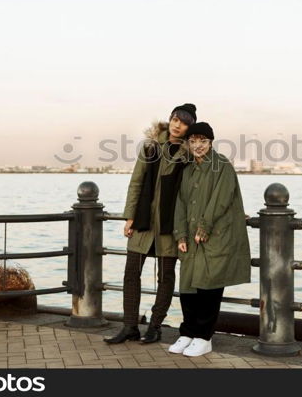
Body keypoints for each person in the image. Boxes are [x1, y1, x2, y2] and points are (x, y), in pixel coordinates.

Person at [104, 103, 196, 344]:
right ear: (170, 120)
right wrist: (130, 216)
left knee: (166, 276)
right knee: (131, 273)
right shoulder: (151, 146)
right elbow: (136, 182)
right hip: (144, 221)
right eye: (175, 119)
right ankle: (129, 327)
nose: (178, 125)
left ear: (190, 128)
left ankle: (155, 327)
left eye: (184, 122)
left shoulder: (190, 154)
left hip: (171, 224)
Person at [168, 122, 251, 357]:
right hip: (190, 238)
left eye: (202, 141)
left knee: (209, 286)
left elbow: (221, 199)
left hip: (214, 235)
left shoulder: (222, 165)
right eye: (192, 141)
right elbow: (180, 203)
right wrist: (180, 234)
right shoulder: (187, 170)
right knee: (188, 287)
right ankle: (188, 332)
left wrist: (204, 226)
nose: (197, 146)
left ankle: (204, 337)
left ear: (211, 142)